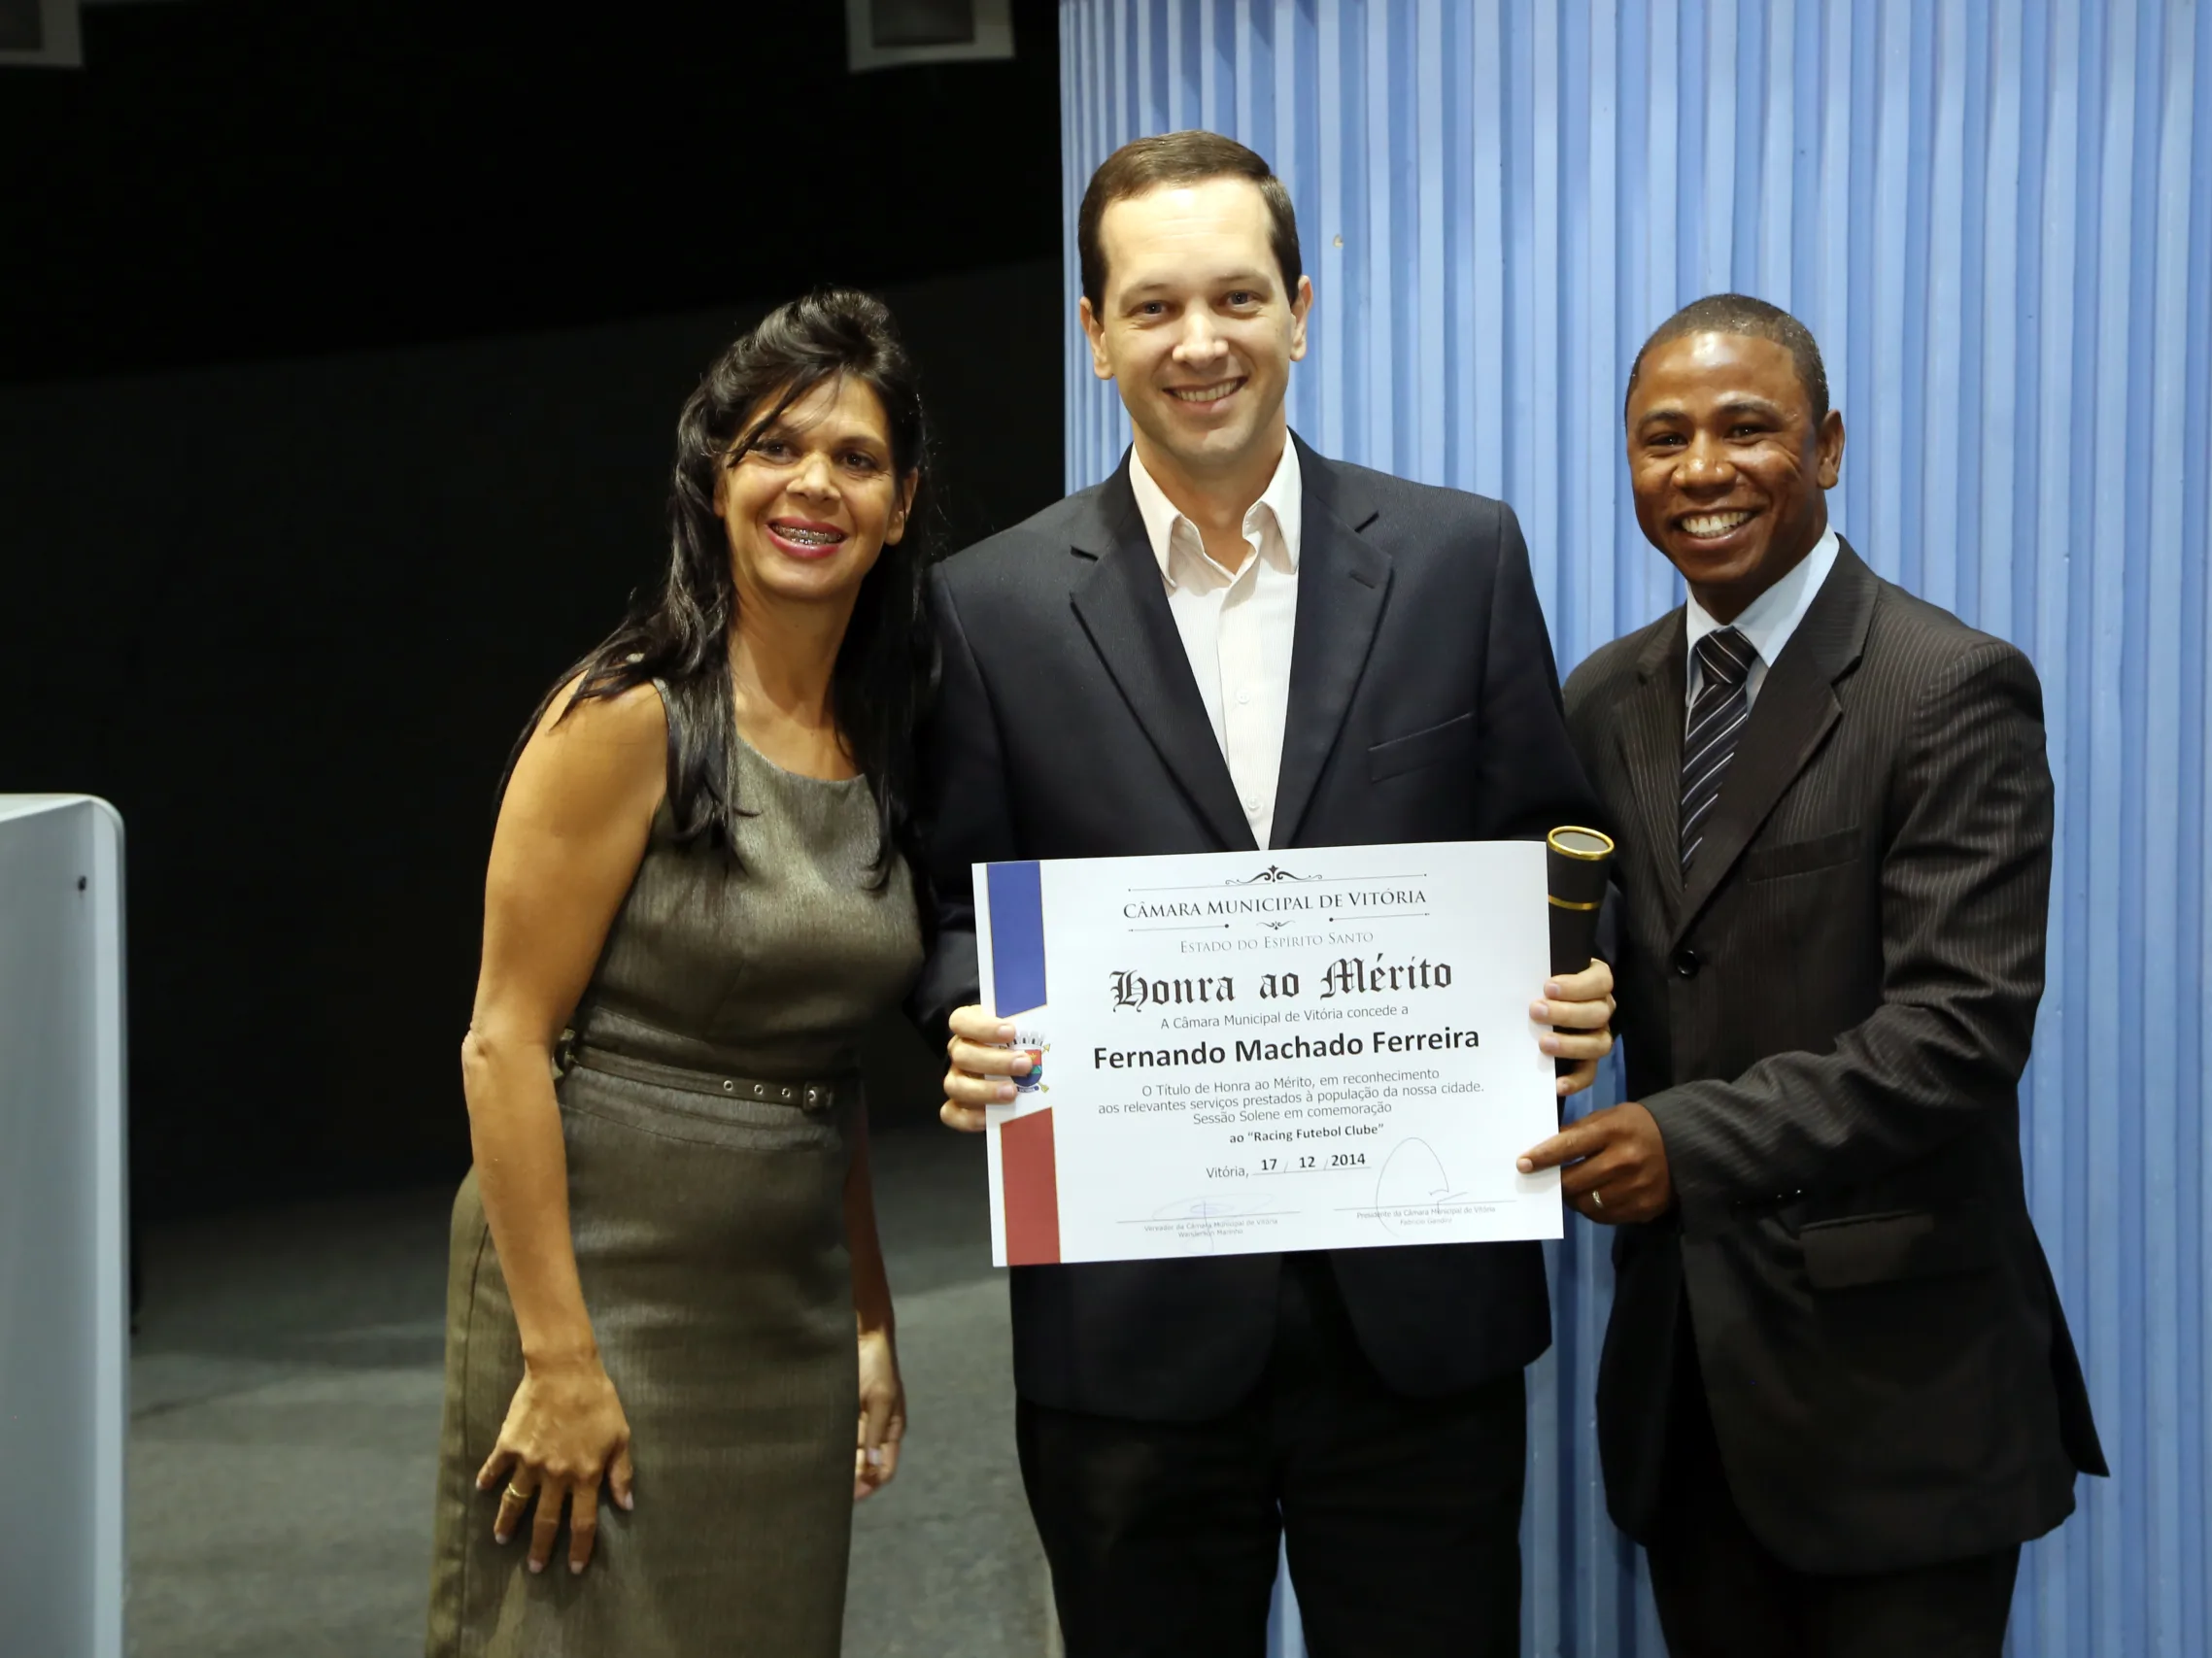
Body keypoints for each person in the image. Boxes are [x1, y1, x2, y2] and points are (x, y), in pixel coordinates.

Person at [914, 131, 1614, 1657]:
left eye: (1237, 296)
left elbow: (1556, 847)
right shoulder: (990, 605)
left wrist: (1581, 975)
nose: (1201, 341)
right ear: (1093, 335)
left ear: (1301, 307)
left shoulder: (1456, 558)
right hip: (1130, 1330)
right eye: (1153, 306)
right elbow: (953, 904)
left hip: (1416, 1320)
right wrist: (956, 1010)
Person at [1528, 294, 2108, 1656]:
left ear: (1829, 445)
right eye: (1661, 438)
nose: (1702, 470)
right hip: (1690, 1398)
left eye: (1748, 428)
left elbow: (1959, 1031)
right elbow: (1586, 956)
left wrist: (1683, 1138)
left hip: (1899, 1400)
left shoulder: (1947, 685)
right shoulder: (1602, 697)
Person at [425, 289, 934, 1656]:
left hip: (787, 1315)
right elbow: (503, 1042)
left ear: (899, 505)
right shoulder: (627, 714)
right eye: (774, 446)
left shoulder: (884, 736)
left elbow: (824, 1068)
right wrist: (560, 1359)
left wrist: (871, 1320)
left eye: (857, 458)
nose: (812, 483)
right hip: (603, 1297)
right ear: (718, 481)